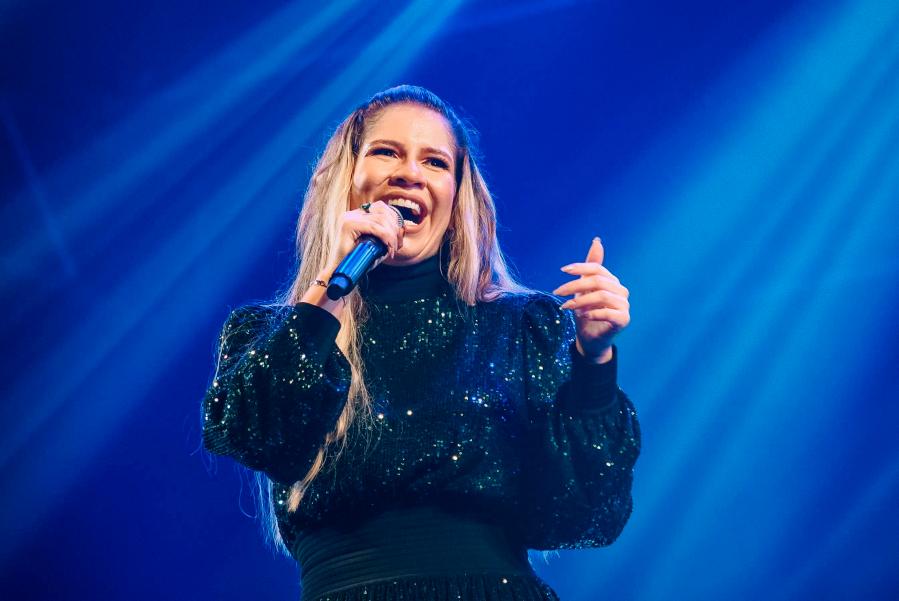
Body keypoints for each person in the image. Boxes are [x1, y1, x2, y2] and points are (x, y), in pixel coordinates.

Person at [202, 85, 641, 600]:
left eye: (434, 162)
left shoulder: (519, 329)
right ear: (346, 178)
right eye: (386, 152)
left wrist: (593, 360)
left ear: (457, 197)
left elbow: (586, 515)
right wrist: (327, 294)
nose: (408, 173)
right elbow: (254, 433)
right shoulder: (273, 334)